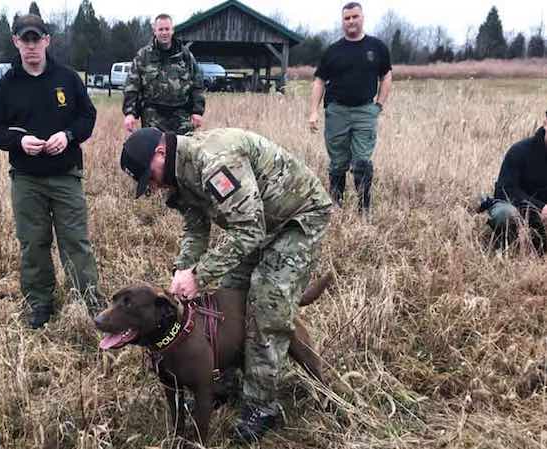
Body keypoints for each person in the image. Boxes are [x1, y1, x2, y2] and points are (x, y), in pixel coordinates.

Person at [119, 127, 332, 443]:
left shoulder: (215, 162)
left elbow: (249, 230)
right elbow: (196, 230)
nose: (152, 186)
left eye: (149, 177)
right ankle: (226, 383)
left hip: (296, 219)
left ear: (161, 153)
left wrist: (200, 275)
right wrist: (183, 269)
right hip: (258, 224)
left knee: (266, 308)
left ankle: (262, 407)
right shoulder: (179, 176)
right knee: (230, 296)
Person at [0, 14, 102, 329]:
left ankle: (90, 301)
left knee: (75, 241)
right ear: (16, 42)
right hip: (27, 180)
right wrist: (19, 142)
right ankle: (40, 302)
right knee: (33, 243)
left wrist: (69, 135)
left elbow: (87, 116)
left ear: (47, 40)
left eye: (37, 39)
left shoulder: (67, 78)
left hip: (66, 176)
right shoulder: (7, 85)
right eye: (26, 40)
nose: (32, 46)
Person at [308, 2, 392, 213]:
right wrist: (313, 111)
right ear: (342, 21)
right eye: (347, 18)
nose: (351, 21)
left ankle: (364, 209)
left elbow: (386, 75)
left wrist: (379, 105)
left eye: (355, 17)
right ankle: (336, 206)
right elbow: (319, 81)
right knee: (337, 163)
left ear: (362, 18)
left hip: (365, 111)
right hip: (337, 112)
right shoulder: (332, 51)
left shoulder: (377, 47)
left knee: (362, 162)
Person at [122, 13, 206, 135]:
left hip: (181, 115)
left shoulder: (185, 55)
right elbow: (132, 85)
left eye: (167, 29)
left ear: (172, 30)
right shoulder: (143, 56)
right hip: (152, 116)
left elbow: (197, 84)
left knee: (181, 152)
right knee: (155, 151)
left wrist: (197, 111)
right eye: (160, 29)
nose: (164, 33)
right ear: (154, 31)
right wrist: (130, 113)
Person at [479, 111, 547, 255]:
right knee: (505, 214)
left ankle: (538, 245)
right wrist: (540, 208)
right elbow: (506, 190)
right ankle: (505, 244)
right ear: (545, 123)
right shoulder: (520, 151)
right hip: (516, 207)